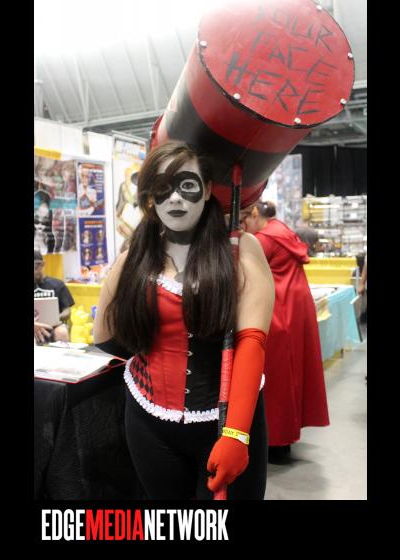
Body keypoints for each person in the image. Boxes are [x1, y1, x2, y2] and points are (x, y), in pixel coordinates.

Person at [93, 142, 275, 500]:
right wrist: (125, 264)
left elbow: (251, 342)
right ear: (150, 197)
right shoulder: (137, 257)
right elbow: (106, 338)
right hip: (148, 421)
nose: (175, 198)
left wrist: (236, 433)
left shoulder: (239, 249)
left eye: (187, 185)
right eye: (163, 187)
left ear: (207, 190)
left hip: (225, 422)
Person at [240, 200, 330, 463]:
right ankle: (284, 439)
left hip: (276, 311)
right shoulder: (281, 229)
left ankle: (276, 440)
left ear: (254, 213)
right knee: (291, 377)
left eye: (244, 218)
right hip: (294, 306)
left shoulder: (263, 240)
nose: (242, 225)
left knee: (274, 381)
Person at [34, 250, 74, 344]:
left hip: (55, 325)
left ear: (43, 264)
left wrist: (54, 319)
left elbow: (67, 311)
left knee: (62, 333)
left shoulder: (57, 285)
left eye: (35, 267)